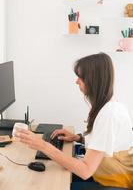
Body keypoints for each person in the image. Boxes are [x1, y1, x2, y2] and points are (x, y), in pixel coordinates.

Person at [15, 53, 133, 190]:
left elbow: (85, 170)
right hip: (105, 174)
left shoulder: (109, 114)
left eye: (80, 78)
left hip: (113, 183)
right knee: (53, 173)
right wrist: (78, 138)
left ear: (93, 80)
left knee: (49, 183)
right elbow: (107, 144)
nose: (76, 81)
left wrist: (43, 146)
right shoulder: (109, 106)